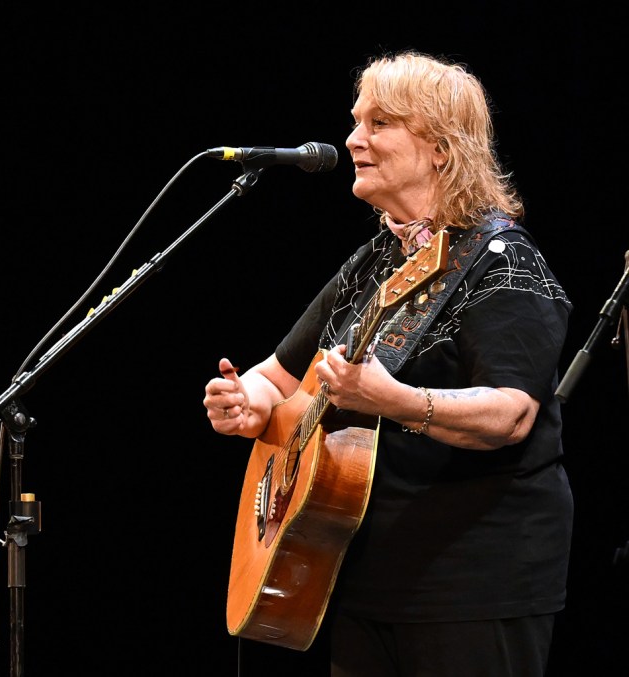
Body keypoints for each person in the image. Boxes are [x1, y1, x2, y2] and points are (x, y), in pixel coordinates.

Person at [203, 51, 573, 676]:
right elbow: (276, 376)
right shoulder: (377, 257)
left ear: (440, 148)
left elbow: (510, 415)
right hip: (362, 576)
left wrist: (392, 399)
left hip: (473, 579)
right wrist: (248, 405)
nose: (353, 139)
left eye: (378, 123)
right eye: (355, 122)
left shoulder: (506, 265)